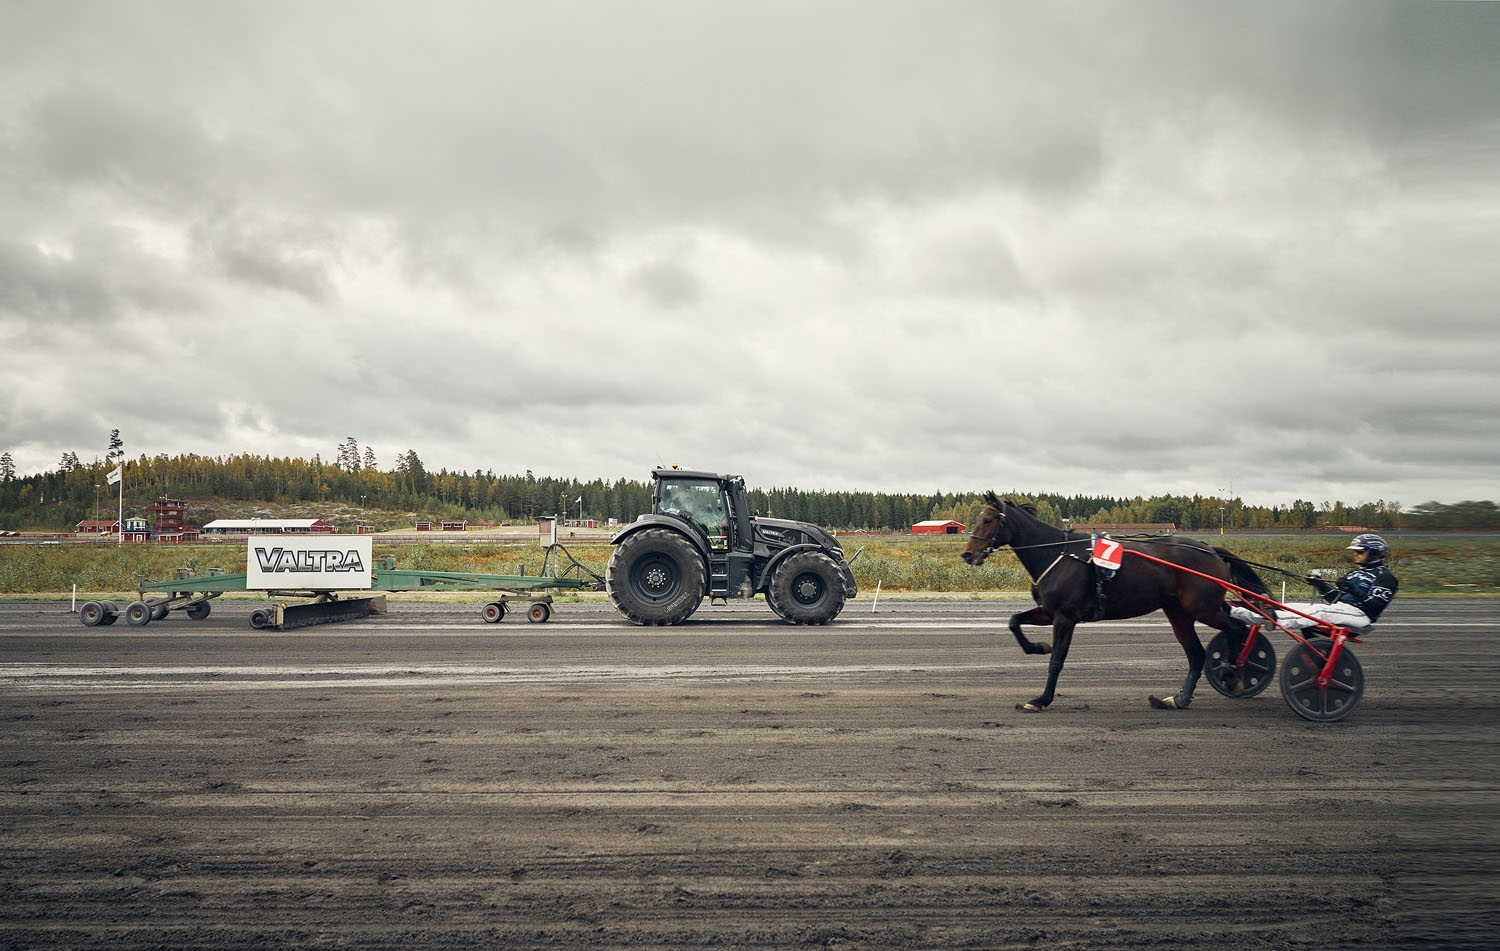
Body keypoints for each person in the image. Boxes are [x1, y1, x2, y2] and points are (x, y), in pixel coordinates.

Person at [1230, 533, 1398, 632]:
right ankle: (1236, 613)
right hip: (1341, 609)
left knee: (1319, 610)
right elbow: (1334, 600)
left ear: (1375, 553)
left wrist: (1353, 590)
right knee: (1289, 607)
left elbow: (1375, 607)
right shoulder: (1355, 572)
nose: (1354, 554)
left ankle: (1273, 618)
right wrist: (1319, 585)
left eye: (1359, 551)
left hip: (1361, 616)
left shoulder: (1386, 577)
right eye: (1354, 551)